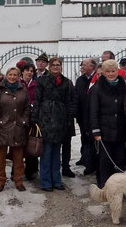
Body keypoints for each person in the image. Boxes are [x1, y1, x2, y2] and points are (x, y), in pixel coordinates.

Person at [32, 57, 76, 192]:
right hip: (45, 118)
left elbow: (70, 102)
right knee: (46, 152)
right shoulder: (42, 81)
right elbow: (37, 100)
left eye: (58, 65)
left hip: (60, 119)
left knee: (57, 153)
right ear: (49, 67)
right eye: (54, 65)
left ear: (61, 67)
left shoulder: (67, 82)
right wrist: (35, 118)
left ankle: (56, 180)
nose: (56, 67)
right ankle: (45, 182)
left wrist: (69, 118)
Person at [0, 67, 31, 192]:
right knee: (0, 157)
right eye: (10, 74)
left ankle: (18, 180)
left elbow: (27, 107)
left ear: (18, 76)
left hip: (18, 127)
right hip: (2, 128)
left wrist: (24, 120)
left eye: (15, 75)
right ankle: (0, 181)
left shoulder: (23, 89)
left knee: (18, 157)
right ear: (6, 75)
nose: (12, 77)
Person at [90, 59, 126, 188]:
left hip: (120, 129)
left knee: (120, 160)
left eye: (113, 71)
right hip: (104, 130)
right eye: (108, 72)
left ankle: (119, 187)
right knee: (105, 161)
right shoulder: (97, 88)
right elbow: (93, 111)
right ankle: (105, 186)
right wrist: (96, 130)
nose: (111, 74)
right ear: (104, 73)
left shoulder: (123, 86)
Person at [75, 58, 97, 176]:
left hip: (93, 115)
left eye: (84, 65)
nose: (81, 67)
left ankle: (91, 164)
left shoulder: (97, 79)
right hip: (82, 115)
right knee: (84, 138)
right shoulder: (80, 80)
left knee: (91, 140)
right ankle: (84, 157)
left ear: (92, 66)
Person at [19, 62, 39, 180]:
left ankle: (32, 170)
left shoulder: (36, 84)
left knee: (32, 144)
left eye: (31, 71)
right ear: (22, 72)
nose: (29, 73)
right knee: (19, 146)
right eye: (27, 70)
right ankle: (17, 171)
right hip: (19, 118)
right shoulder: (18, 84)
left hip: (32, 118)